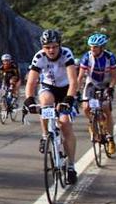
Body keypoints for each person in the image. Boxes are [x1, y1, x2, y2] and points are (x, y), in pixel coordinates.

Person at [23, 29, 79, 184]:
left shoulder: (66, 54)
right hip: (48, 87)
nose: (51, 50)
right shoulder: (39, 56)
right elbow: (31, 82)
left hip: (66, 89)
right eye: (47, 47)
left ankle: (71, 166)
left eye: (54, 46)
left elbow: (74, 82)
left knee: (65, 123)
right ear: (43, 47)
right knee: (45, 103)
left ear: (59, 45)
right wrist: (28, 99)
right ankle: (44, 135)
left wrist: (68, 99)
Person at [78, 33, 116, 155]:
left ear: (102, 47)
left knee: (106, 108)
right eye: (91, 46)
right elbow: (80, 77)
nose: (92, 49)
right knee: (86, 107)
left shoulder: (110, 57)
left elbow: (114, 76)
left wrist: (111, 88)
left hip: (105, 83)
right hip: (92, 84)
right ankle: (92, 122)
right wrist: (76, 91)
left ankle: (110, 138)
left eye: (95, 47)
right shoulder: (87, 57)